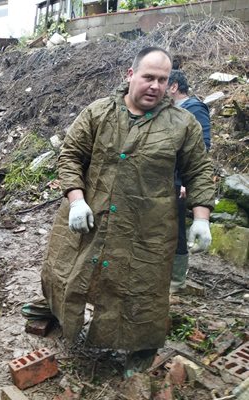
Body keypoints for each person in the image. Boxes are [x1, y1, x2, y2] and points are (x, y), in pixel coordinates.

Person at [41, 47, 215, 378]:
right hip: (92, 216)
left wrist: (202, 219)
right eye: (148, 77)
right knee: (69, 269)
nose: (155, 86)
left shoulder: (183, 124)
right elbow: (70, 156)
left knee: (143, 288)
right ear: (130, 74)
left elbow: (200, 172)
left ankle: (141, 349)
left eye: (162, 80)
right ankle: (60, 314)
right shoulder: (98, 113)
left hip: (148, 228)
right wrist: (76, 199)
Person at [167, 69, 211, 293]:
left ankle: (176, 281)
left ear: (173, 86)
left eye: (162, 82)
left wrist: (185, 182)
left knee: (176, 231)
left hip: (179, 181)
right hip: (164, 179)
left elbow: (201, 148)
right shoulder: (166, 111)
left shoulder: (193, 108)